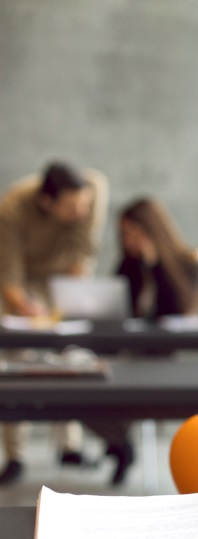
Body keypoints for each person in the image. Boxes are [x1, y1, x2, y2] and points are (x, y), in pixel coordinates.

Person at [0, 161, 108, 484]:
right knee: (17, 360)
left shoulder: (94, 188)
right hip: (26, 282)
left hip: (65, 278)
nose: (81, 211)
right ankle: (16, 455)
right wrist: (29, 309)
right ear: (47, 203)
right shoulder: (12, 209)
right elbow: (10, 275)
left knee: (70, 354)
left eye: (83, 204)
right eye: (72, 206)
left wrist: (69, 304)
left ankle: (69, 446)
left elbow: (83, 252)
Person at [85, 196, 198, 485]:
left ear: (152, 230)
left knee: (111, 385)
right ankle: (120, 442)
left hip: (160, 356)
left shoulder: (187, 264)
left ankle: (119, 444)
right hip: (126, 352)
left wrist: (154, 265)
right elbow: (114, 307)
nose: (129, 240)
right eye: (124, 234)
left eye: (134, 233)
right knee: (83, 384)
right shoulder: (128, 265)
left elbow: (178, 309)